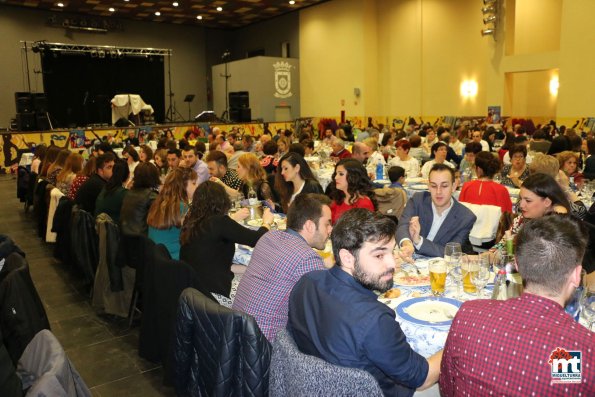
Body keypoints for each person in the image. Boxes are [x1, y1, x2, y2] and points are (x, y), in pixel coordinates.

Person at [288, 209, 442, 396]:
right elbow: (423, 378)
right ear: (347, 258)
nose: (392, 264)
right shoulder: (375, 320)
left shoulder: (307, 282)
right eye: (379, 255)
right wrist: (454, 341)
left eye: (391, 252)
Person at [440, 214, 594, 396]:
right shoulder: (582, 349)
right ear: (577, 275)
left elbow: (447, 388)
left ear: (517, 266)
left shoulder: (468, 315)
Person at [233, 194, 332, 340]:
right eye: (327, 224)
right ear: (310, 226)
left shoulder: (268, 237)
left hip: (236, 332)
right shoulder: (307, 258)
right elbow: (323, 310)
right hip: (265, 346)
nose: (330, 229)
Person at [179, 181, 274, 299]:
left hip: (189, 293)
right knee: (258, 285)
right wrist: (266, 223)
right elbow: (256, 239)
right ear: (222, 200)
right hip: (214, 296)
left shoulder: (190, 221)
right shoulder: (220, 222)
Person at [397, 164, 476, 258]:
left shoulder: (466, 217)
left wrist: (419, 241)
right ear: (428, 186)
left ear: (454, 186)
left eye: (444, 186)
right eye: (434, 186)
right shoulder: (418, 200)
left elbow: (450, 253)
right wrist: (407, 245)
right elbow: (403, 225)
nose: (438, 192)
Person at [492, 173, 570, 252]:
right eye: (521, 198)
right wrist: (489, 254)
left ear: (547, 202)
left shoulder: (555, 228)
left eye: (528, 201)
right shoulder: (521, 220)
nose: (521, 205)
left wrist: (560, 215)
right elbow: (501, 246)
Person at [147, 167, 197, 259]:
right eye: (193, 183)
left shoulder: (158, 203)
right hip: (175, 259)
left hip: (156, 258)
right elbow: (195, 235)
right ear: (183, 185)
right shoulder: (182, 208)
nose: (196, 186)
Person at [328, 158, 376, 224]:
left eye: (341, 174)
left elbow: (365, 232)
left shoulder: (363, 204)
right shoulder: (339, 197)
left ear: (353, 177)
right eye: (336, 174)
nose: (336, 177)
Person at [120, 162, 160, 237]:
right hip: (142, 239)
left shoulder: (128, 193)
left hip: (125, 238)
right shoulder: (151, 196)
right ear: (154, 177)